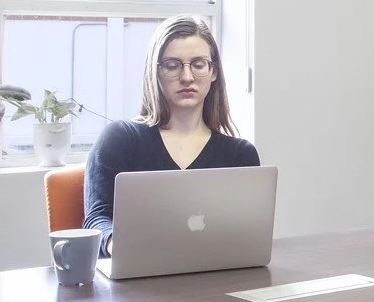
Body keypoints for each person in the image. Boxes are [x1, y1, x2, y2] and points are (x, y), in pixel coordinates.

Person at [84, 14, 260, 253]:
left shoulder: (240, 155)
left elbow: (248, 232)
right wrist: (121, 247)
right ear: (155, 72)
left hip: (216, 270)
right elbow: (96, 219)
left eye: (198, 64)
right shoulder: (120, 139)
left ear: (213, 72)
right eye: (172, 65)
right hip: (137, 272)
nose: (187, 77)